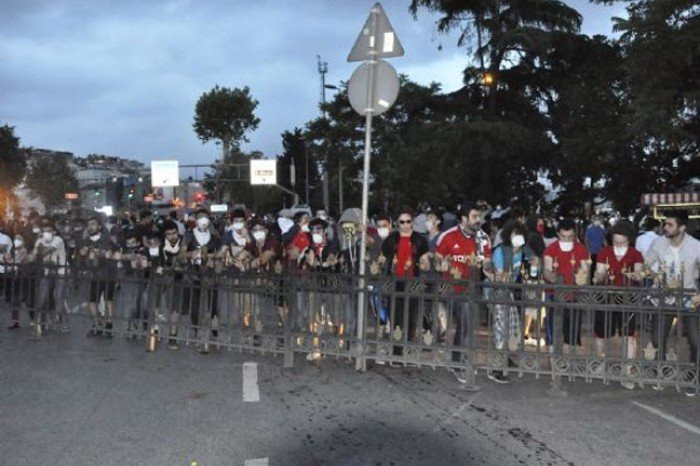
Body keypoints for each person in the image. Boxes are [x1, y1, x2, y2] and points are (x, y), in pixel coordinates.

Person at [643, 210, 700, 396]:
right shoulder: (658, 243)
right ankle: (660, 372)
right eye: (664, 224)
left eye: (669, 225)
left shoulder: (696, 246)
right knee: (658, 337)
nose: (665, 227)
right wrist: (652, 274)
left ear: (682, 227)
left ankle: (693, 377)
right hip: (663, 297)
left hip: (689, 298)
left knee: (695, 339)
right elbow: (646, 264)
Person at [435, 203, 492, 379]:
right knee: (466, 320)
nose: (478, 220)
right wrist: (440, 264)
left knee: (466, 324)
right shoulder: (447, 236)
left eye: (479, 217)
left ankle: (457, 358)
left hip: (471, 288)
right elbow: (437, 259)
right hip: (450, 288)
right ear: (464, 219)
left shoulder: (483, 238)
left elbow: (487, 262)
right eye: (474, 216)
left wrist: (491, 269)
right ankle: (460, 362)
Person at [591, 220, 644, 390]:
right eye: (615, 242)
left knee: (628, 334)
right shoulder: (604, 252)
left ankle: (627, 370)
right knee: (600, 332)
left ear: (629, 240)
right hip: (605, 296)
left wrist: (633, 274)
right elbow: (598, 274)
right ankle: (600, 363)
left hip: (627, 297)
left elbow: (639, 274)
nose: (618, 245)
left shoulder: (636, 254)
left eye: (622, 242)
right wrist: (598, 277)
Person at [488, 221, 536, 382]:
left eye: (520, 235)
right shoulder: (501, 251)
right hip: (496, 292)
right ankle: (496, 368)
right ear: (509, 236)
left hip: (508, 293)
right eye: (515, 235)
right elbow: (500, 275)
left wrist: (534, 265)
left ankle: (505, 358)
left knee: (512, 326)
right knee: (502, 327)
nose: (518, 238)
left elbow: (536, 262)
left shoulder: (523, 249)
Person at [381, 208, 430, 355]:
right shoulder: (391, 238)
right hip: (394, 280)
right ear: (398, 223)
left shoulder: (420, 239)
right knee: (395, 316)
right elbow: (383, 257)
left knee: (412, 317)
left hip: (413, 280)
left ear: (412, 222)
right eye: (402, 222)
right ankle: (396, 350)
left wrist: (424, 264)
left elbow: (425, 260)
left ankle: (408, 347)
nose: (405, 224)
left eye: (408, 221)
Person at [542, 218, 590, 353]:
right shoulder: (551, 249)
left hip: (574, 295)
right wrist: (552, 277)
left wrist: (582, 274)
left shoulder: (580, 249)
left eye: (570, 237)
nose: (567, 239)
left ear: (574, 235)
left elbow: (585, 269)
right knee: (552, 328)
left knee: (571, 331)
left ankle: (565, 363)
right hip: (553, 294)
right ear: (558, 234)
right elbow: (546, 270)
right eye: (563, 236)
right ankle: (554, 363)